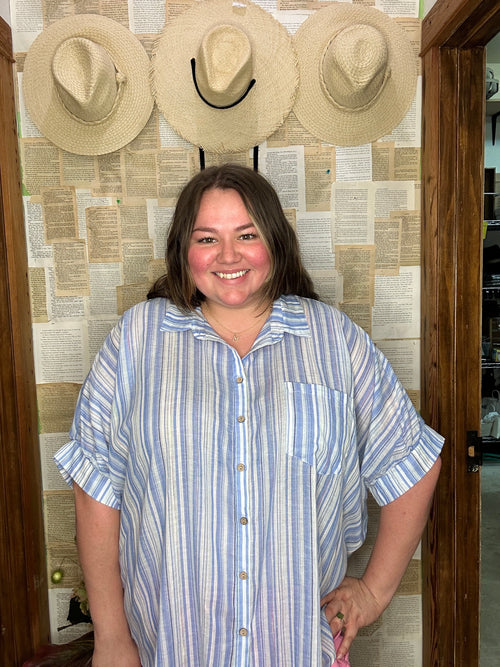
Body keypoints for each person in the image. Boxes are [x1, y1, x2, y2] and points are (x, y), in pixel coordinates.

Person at [55, 164, 443, 667]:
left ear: (275, 242)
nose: (229, 256)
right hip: (171, 646)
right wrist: (110, 637)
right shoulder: (137, 339)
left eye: (246, 234)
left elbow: (413, 464)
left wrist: (372, 592)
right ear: (183, 251)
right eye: (207, 238)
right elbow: (95, 486)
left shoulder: (334, 341)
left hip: (297, 647)